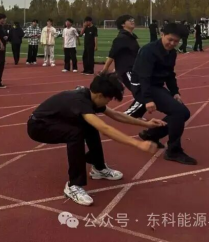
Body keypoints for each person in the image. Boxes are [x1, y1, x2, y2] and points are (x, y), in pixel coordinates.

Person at [27, 73, 163, 206]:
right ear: (100, 95)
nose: (109, 102)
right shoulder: (80, 101)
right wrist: (137, 144)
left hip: (56, 122)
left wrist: (146, 124)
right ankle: (74, 185)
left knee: (89, 126)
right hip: (39, 127)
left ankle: (99, 168)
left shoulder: (91, 97)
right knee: (75, 133)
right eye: (109, 99)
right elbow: (105, 129)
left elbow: (116, 115)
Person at [128, 23, 197, 165]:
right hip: (142, 87)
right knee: (178, 112)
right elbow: (144, 76)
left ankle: (151, 134)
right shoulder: (148, 51)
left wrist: (175, 92)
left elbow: (170, 74)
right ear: (162, 35)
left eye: (176, 41)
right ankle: (173, 151)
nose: (172, 43)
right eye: (170, 39)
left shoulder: (172, 53)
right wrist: (148, 99)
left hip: (156, 86)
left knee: (184, 113)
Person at [102, 15, 140, 95]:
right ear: (123, 24)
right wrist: (104, 70)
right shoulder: (121, 38)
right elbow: (111, 55)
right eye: (129, 20)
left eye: (132, 19)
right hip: (127, 71)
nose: (132, 21)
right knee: (140, 92)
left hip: (134, 69)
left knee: (142, 92)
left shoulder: (132, 37)